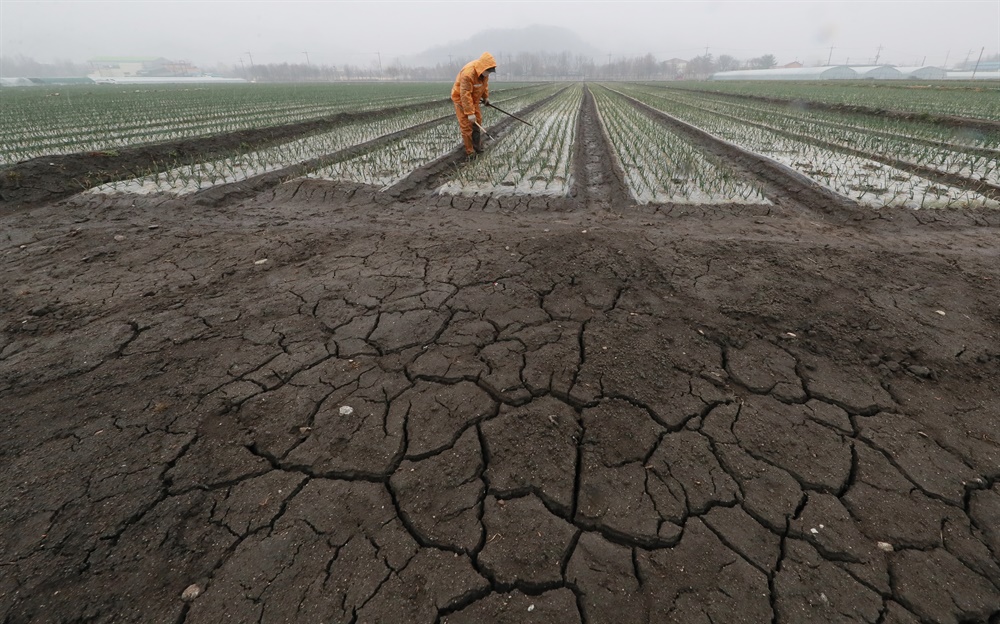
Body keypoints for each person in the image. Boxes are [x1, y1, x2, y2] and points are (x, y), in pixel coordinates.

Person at [451, 52, 497, 157]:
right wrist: (470, 113)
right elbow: (465, 94)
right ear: (483, 67)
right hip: (461, 100)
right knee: (467, 125)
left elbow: (484, 86)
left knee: (477, 122)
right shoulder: (468, 74)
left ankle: (477, 147)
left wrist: (486, 97)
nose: (488, 73)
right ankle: (470, 151)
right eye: (488, 71)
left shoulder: (484, 73)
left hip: (474, 99)